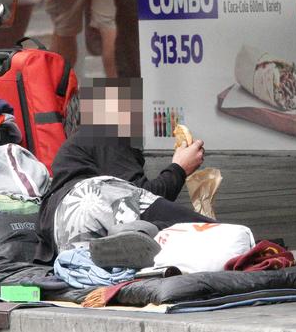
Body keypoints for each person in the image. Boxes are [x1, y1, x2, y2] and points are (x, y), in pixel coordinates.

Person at [35, 79, 210, 262]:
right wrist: (180, 168)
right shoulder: (103, 132)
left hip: (61, 235)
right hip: (89, 211)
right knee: (209, 229)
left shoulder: (75, 150)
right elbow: (145, 198)